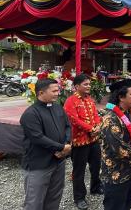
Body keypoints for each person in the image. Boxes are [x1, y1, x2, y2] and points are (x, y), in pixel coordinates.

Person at [20, 78, 72, 210]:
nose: (57, 93)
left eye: (58, 90)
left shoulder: (58, 107)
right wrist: (61, 147)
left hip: (58, 160)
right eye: (54, 91)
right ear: (41, 93)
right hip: (39, 164)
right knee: (35, 201)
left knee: (54, 196)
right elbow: (38, 138)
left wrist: (66, 144)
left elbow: (67, 126)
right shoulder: (31, 114)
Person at [100, 79, 131, 210]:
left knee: (128, 203)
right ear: (121, 97)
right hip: (117, 174)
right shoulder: (110, 118)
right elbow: (117, 147)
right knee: (115, 206)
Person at [63, 74, 103, 210]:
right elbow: (74, 120)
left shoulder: (89, 100)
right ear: (76, 86)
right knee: (79, 171)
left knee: (96, 166)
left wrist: (97, 127)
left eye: (89, 84)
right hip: (79, 141)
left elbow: (96, 115)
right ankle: (79, 197)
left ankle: (95, 187)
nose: (88, 86)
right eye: (85, 84)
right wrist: (92, 128)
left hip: (94, 139)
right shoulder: (70, 101)